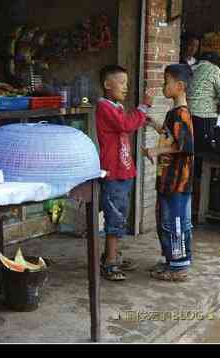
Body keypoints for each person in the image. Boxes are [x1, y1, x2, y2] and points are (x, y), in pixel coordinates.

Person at [96, 65, 154, 281]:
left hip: (124, 171)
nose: (126, 87)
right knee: (115, 216)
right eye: (121, 83)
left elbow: (128, 122)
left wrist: (144, 116)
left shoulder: (116, 106)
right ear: (107, 84)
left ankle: (112, 255)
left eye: (127, 84)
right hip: (114, 172)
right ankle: (110, 262)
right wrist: (143, 107)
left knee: (120, 214)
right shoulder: (104, 107)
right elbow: (126, 125)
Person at [144, 64, 195, 282]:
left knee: (175, 222)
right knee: (165, 220)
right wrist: (153, 123)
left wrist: (156, 150)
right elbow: (170, 135)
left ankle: (179, 267)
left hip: (178, 182)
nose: (164, 86)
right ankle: (171, 260)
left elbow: (184, 145)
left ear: (180, 86)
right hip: (167, 180)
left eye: (166, 82)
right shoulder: (173, 113)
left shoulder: (181, 114)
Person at [187, 52, 220, 154]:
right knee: (205, 154)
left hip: (187, 115)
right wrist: (219, 109)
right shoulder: (214, 70)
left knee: (192, 151)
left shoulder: (191, 69)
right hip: (205, 119)